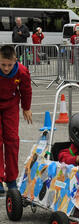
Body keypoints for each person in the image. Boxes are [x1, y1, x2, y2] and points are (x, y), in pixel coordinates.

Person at [0, 45, 32, 194]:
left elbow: (26, 90)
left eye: (9, 65)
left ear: (15, 61)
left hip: (11, 105)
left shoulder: (22, 71)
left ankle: (11, 179)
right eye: (3, 65)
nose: (6, 68)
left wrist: (26, 107)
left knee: (12, 140)